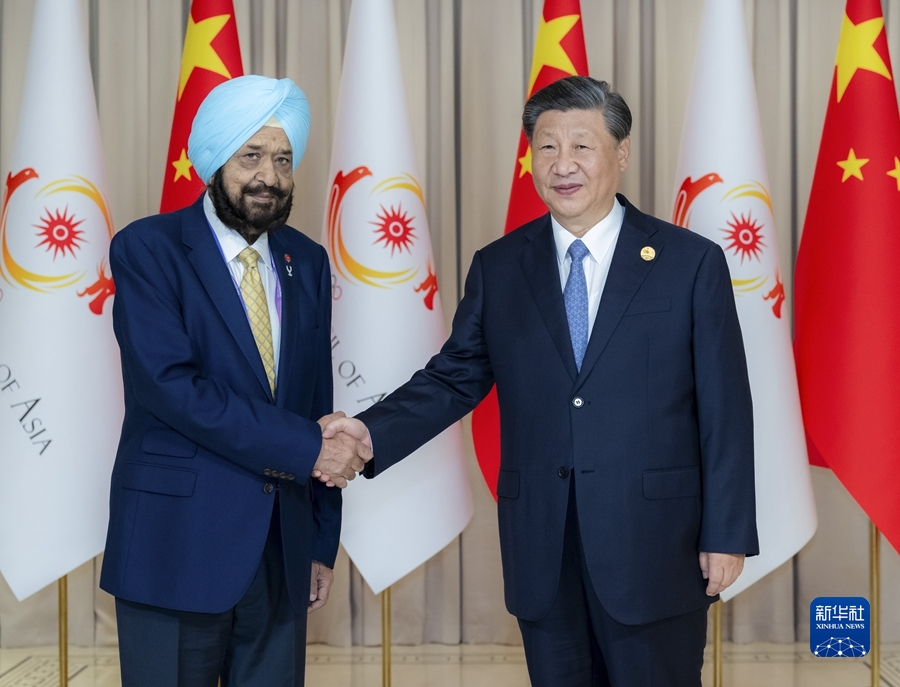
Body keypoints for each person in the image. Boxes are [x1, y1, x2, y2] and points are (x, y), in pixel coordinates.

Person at [320, 76, 758, 687]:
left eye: (582, 145)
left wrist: (727, 534)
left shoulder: (689, 262)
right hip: (543, 548)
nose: (562, 164)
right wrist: (368, 434)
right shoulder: (500, 267)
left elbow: (725, 408)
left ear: (621, 153)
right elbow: (454, 377)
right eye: (547, 147)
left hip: (656, 544)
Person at [100, 75, 370, 687]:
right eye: (251, 156)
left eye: (283, 159)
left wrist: (319, 540)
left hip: (280, 551)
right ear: (215, 159)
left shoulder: (307, 259)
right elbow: (172, 388)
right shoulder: (148, 249)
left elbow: (316, 404)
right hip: (174, 548)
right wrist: (308, 447)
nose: (268, 176)